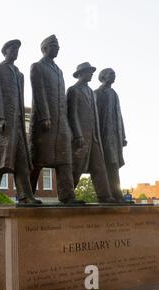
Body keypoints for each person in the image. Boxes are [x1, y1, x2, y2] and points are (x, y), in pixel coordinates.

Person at [0, 39, 41, 204]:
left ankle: (25, 195)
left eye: (17, 49)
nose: (16, 52)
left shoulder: (19, 74)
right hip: (3, 123)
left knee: (22, 160)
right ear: (5, 51)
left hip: (18, 125)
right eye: (13, 49)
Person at [29, 35, 82, 204]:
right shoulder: (37, 67)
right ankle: (27, 194)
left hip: (61, 123)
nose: (58, 48)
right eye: (54, 45)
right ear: (44, 48)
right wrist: (44, 115)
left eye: (58, 46)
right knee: (37, 160)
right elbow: (39, 92)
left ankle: (67, 195)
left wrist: (67, 125)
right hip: (44, 122)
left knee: (65, 160)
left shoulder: (59, 71)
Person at [67, 62, 114, 203]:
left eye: (92, 72)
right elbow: (71, 114)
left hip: (94, 137)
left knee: (99, 166)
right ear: (81, 74)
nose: (92, 74)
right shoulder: (73, 90)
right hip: (81, 136)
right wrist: (77, 134)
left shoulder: (91, 93)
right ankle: (67, 196)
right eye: (89, 72)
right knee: (76, 167)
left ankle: (104, 196)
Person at [95, 68, 127, 202]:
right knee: (107, 164)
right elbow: (94, 116)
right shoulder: (97, 93)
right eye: (110, 74)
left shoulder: (114, 93)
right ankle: (107, 194)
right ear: (102, 77)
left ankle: (116, 194)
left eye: (114, 74)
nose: (114, 76)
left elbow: (119, 116)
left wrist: (123, 136)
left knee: (114, 164)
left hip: (115, 135)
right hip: (103, 134)